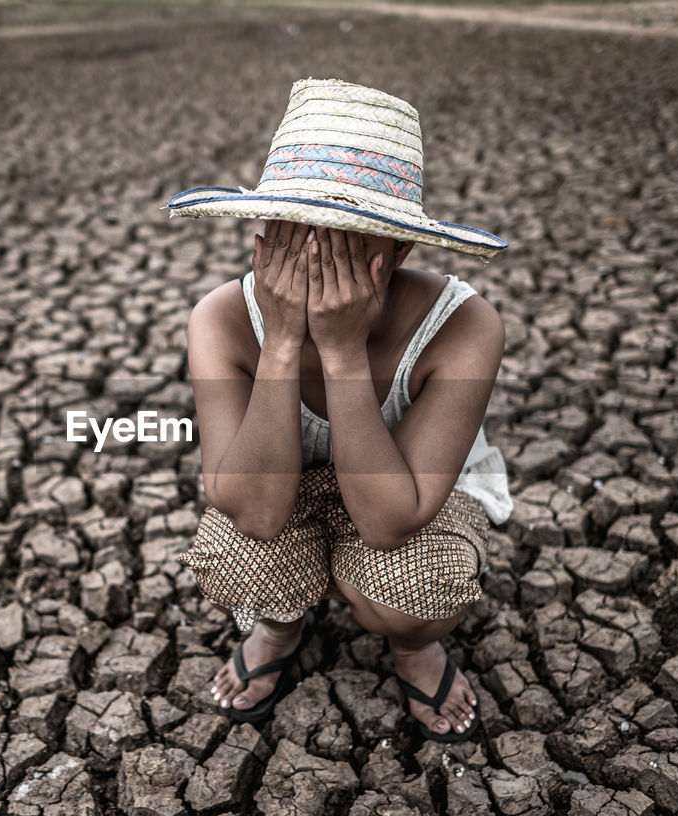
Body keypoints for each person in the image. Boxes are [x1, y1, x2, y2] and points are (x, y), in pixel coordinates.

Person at [165, 78, 514, 743]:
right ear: (263, 234)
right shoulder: (222, 319)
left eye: (351, 239)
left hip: (406, 505)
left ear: (400, 250)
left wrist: (345, 353)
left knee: (413, 589)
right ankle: (280, 623)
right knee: (235, 553)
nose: (319, 256)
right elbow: (256, 511)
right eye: (297, 232)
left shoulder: (464, 326)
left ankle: (413, 648)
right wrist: (284, 344)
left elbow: (389, 523)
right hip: (285, 498)